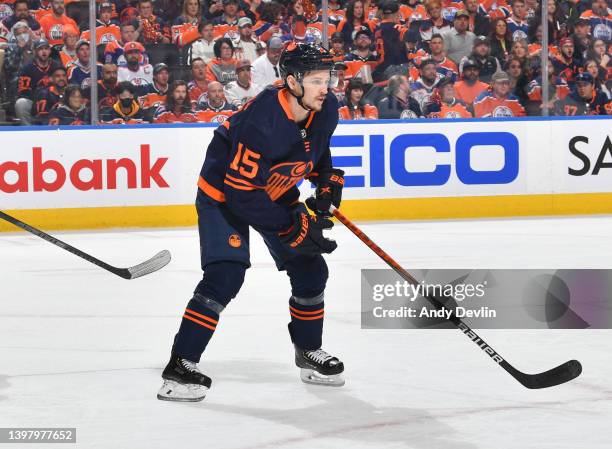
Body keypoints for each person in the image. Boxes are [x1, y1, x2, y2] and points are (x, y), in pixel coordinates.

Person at [157, 43, 345, 402]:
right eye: (317, 80)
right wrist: (291, 226)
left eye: (328, 78)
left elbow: (317, 146)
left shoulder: (326, 106)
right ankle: (180, 365)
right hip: (224, 196)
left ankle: (307, 351)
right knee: (225, 274)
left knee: (309, 269)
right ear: (291, 81)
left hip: (272, 188)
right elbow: (242, 195)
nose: (326, 87)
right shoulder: (262, 122)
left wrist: (325, 180)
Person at [15, 38, 61, 125]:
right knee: (21, 103)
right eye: (40, 49)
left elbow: (64, 86)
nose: (44, 52)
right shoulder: (28, 68)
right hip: (34, 102)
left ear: (50, 51)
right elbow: (23, 92)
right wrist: (39, 96)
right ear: (35, 51)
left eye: (46, 48)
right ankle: (28, 131)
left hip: (54, 101)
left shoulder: (56, 66)